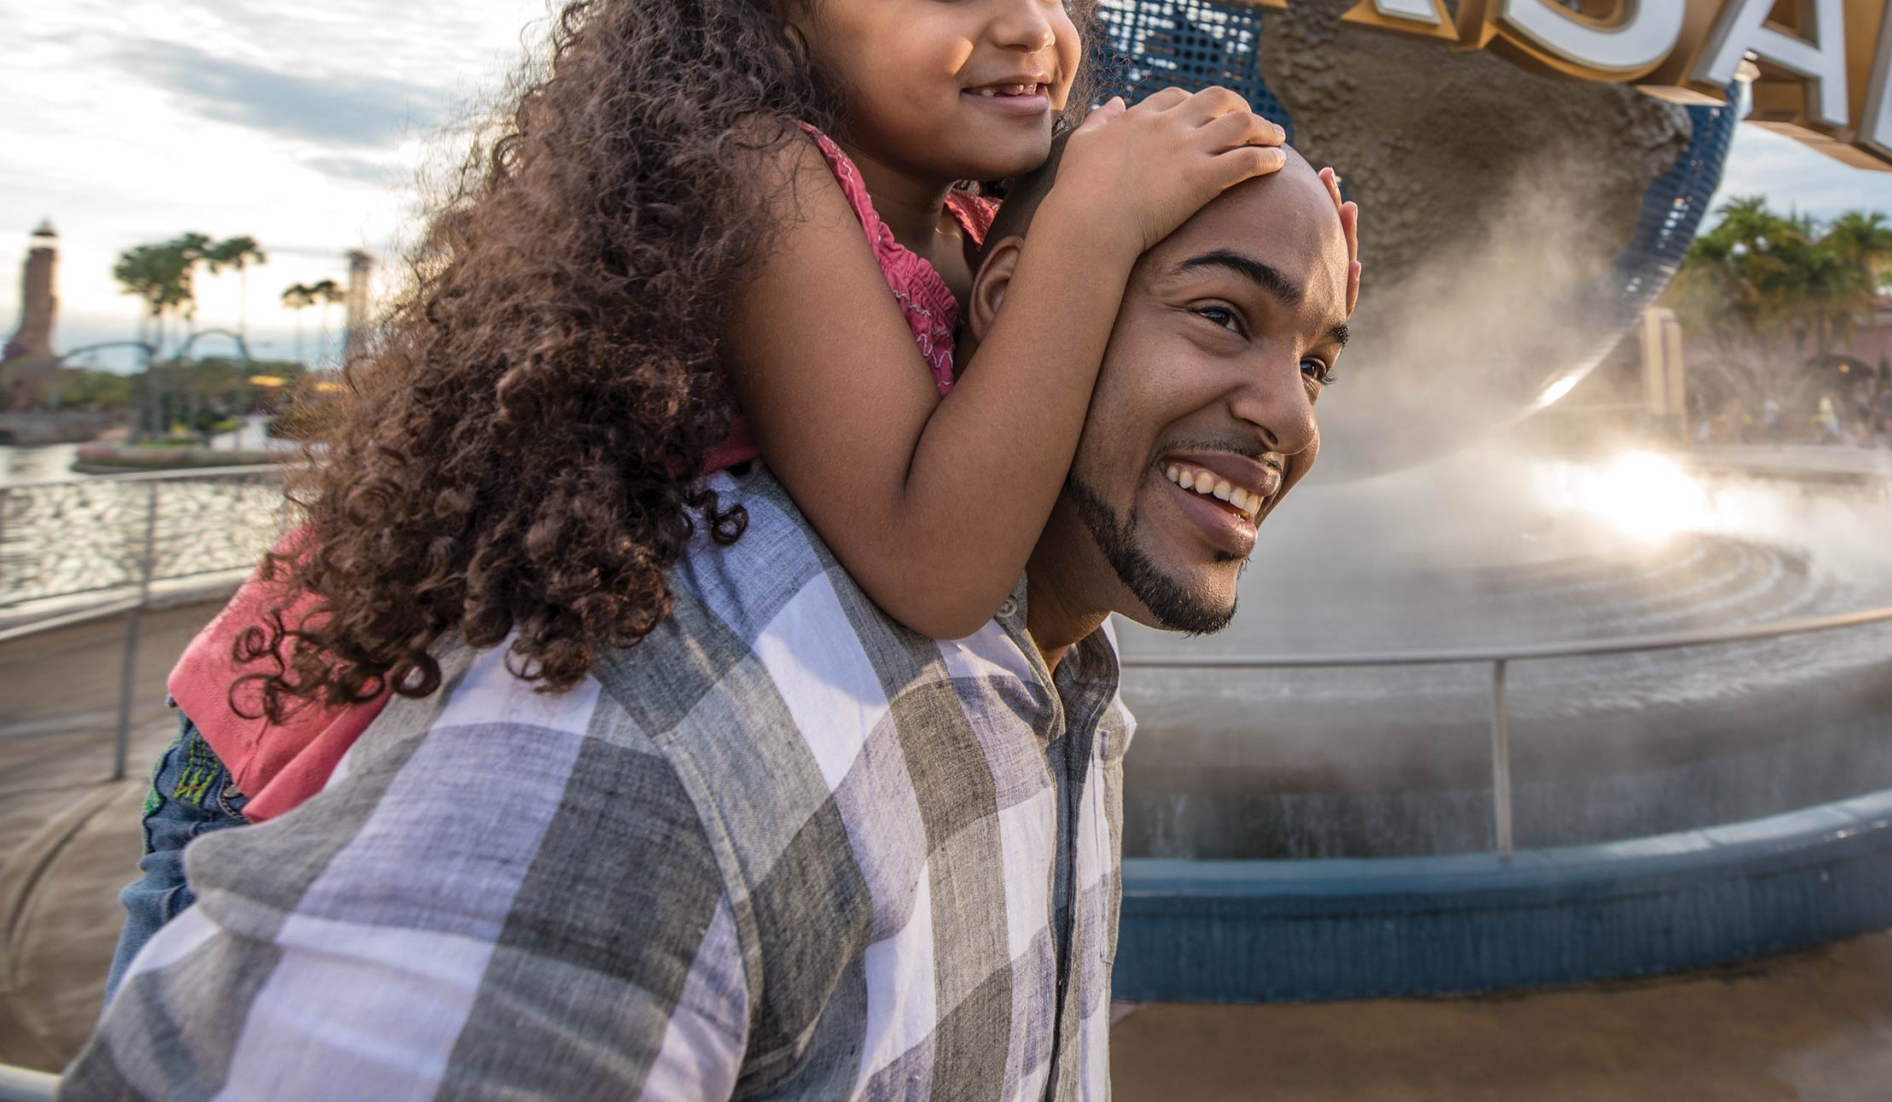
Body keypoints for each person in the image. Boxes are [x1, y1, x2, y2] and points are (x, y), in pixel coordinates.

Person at [102, 0, 1301, 995]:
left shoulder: (954, 221)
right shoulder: (762, 176)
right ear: (784, 6)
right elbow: (937, 559)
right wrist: (1096, 226)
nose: (1028, 28)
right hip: (280, 774)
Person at [67, 143, 1357, 1099]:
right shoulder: (686, 722)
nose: (1291, 418)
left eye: (1313, 361)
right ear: (1017, 296)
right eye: (1220, 316)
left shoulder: (1066, 687)